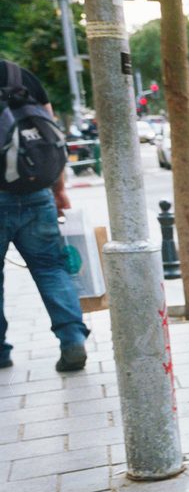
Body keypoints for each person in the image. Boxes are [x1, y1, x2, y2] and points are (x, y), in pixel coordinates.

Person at [0, 60, 88, 373]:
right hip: (35, 190)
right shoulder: (17, 74)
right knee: (51, 268)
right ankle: (72, 339)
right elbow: (49, 136)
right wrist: (58, 189)